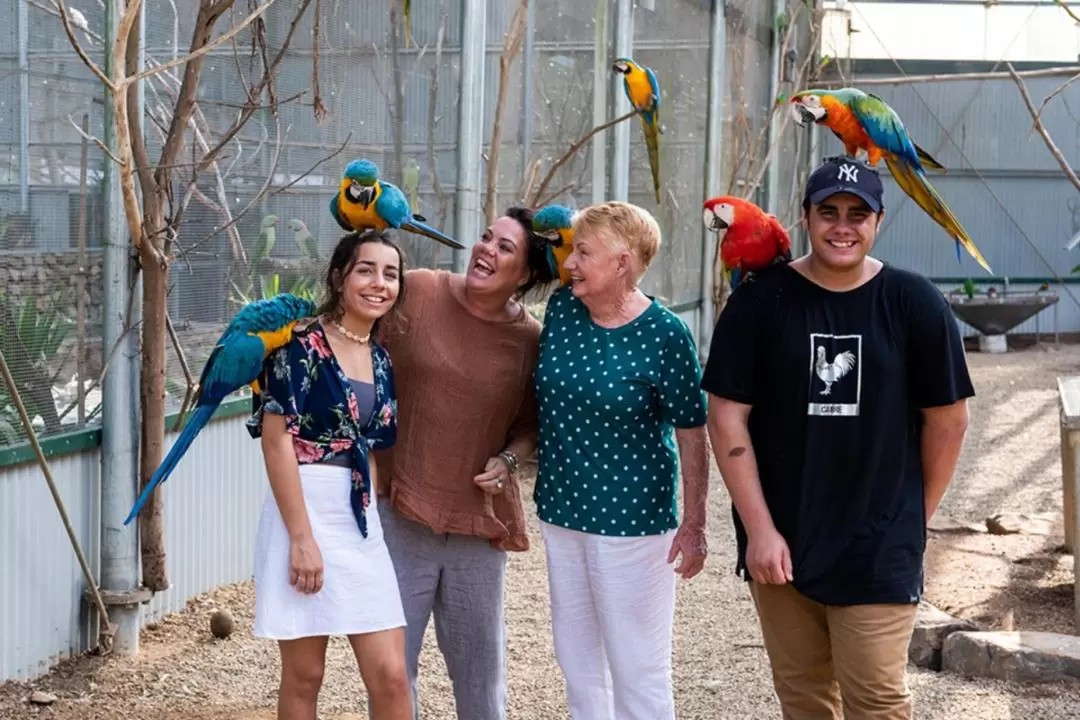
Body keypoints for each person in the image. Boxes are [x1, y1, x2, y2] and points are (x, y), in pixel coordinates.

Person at [701, 155, 974, 719]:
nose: (842, 226)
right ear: (805, 217)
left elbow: (949, 420)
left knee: (875, 699)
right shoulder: (760, 301)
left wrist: (913, 516)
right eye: (828, 212)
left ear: (878, 222)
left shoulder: (913, 302)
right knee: (803, 695)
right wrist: (759, 530)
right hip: (782, 539)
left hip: (878, 541)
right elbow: (727, 416)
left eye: (857, 213)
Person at [370, 206, 557, 720]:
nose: (485, 250)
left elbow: (530, 425)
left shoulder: (530, 341)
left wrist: (508, 459)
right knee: (390, 673)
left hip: (478, 521)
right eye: (484, 237)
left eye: (504, 248)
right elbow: (360, 354)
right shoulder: (419, 290)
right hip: (400, 509)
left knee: (480, 679)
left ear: (526, 275)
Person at [532, 200, 711, 720]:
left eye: (584, 253)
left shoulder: (665, 334)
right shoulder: (565, 309)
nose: (570, 263)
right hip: (562, 514)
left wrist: (695, 522)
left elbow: (691, 431)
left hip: (633, 523)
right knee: (579, 663)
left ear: (623, 263)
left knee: (638, 669)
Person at [246, 229, 413, 720]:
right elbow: (277, 442)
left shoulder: (382, 360)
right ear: (339, 277)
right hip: (303, 507)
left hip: (358, 521)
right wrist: (301, 538)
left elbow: (374, 446)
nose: (379, 283)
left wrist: (372, 519)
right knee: (305, 676)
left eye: (390, 273)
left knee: (392, 675)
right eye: (366, 270)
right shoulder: (298, 346)